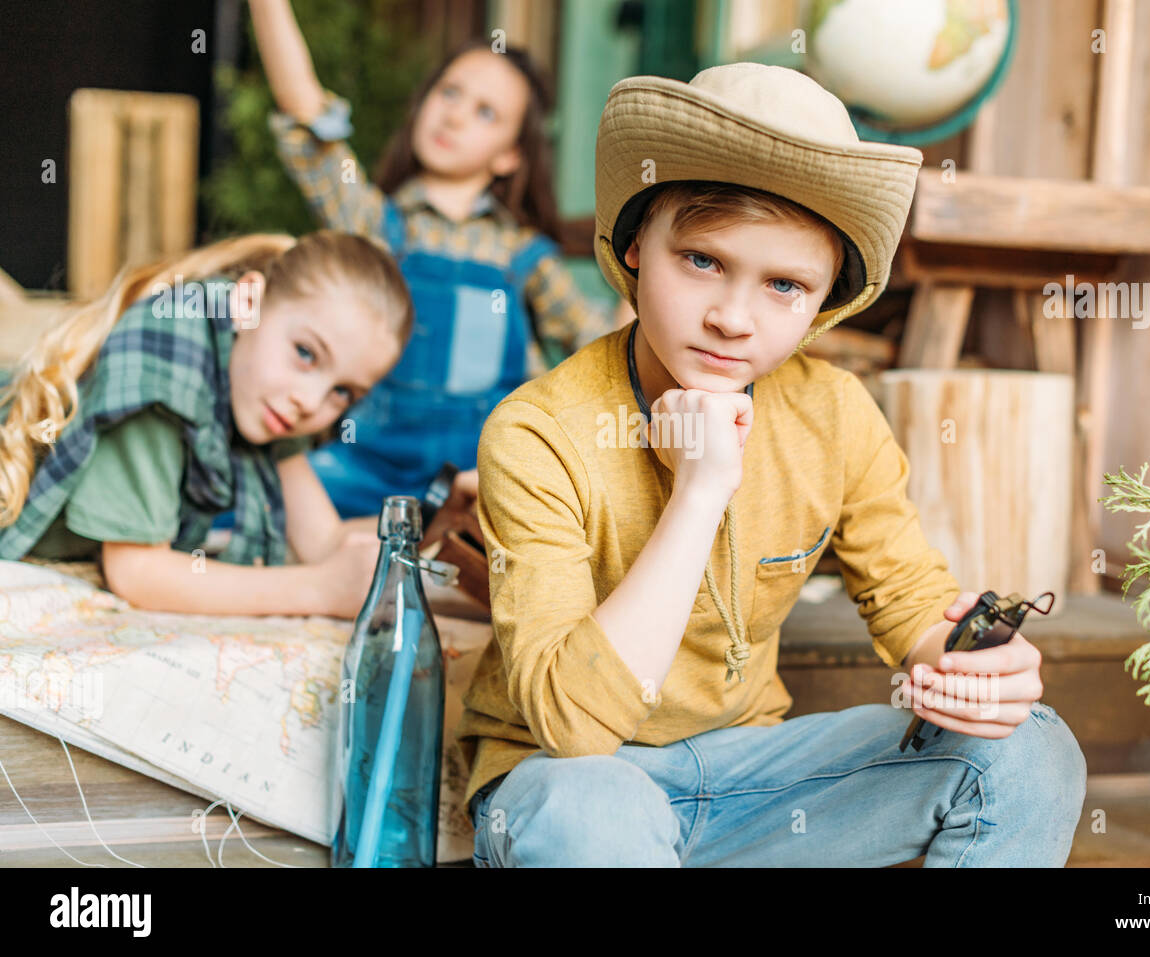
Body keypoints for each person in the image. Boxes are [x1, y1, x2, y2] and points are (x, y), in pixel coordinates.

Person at [454, 63, 1088, 867]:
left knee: (1029, 745)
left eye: (783, 285)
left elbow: (908, 601)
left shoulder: (835, 413)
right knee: (594, 810)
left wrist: (973, 669)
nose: (731, 318)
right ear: (634, 247)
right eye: (703, 261)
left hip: (754, 781)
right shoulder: (537, 430)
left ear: (821, 306)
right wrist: (700, 489)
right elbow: (571, 726)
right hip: (571, 781)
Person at [247, 0, 631, 523]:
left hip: (478, 482)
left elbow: (613, 355)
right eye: (449, 92)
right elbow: (308, 120)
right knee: (248, 507)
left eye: (485, 112)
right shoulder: (372, 223)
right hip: (363, 471)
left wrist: (642, 272)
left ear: (509, 155)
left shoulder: (524, 257)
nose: (454, 114)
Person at [0, 230, 412, 620]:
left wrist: (433, 521)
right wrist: (320, 590)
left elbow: (324, 542)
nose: (310, 401)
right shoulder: (164, 369)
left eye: (343, 392)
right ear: (249, 302)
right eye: (306, 353)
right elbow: (137, 570)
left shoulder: (269, 393)